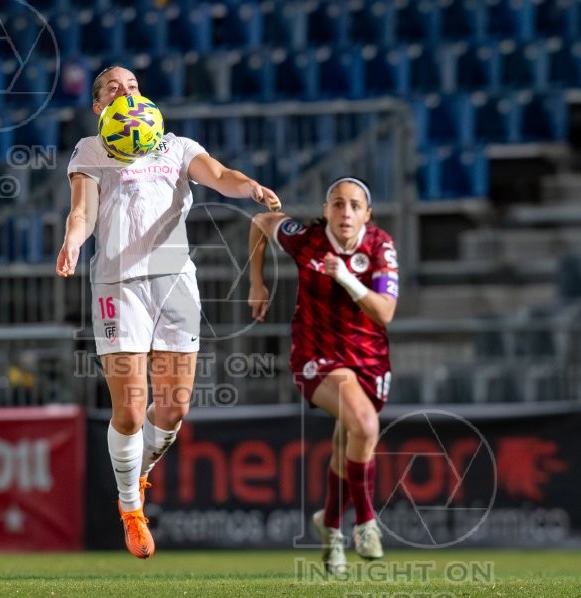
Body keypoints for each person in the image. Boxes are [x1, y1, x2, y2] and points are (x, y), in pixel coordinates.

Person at [56, 65, 281, 559]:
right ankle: (131, 508)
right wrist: (73, 242)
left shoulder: (176, 146)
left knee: (175, 407)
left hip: (175, 281)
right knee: (132, 409)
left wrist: (252, 188)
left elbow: (220, 176)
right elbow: (83, 212)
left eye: (132, 85)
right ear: (99, 107)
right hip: (119, 285)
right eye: (114, 88)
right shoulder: (91, 151)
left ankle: (139, 475)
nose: (125, 91)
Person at [247, 177, 398, 573]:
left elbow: (384, 312)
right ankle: (366, 522)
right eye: (337, 204)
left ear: (367, 214)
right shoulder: (306, 239)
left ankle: (330, 529)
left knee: (346, 443)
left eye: (353, 205)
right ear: (326, 209)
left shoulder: (380, 246)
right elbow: (261, 221)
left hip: (370, 359)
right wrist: (256, 282)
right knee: (364, 425)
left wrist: (345, 277)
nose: (345, 212)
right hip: (317, 356)